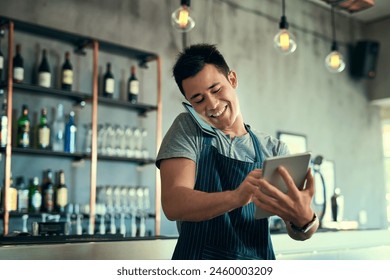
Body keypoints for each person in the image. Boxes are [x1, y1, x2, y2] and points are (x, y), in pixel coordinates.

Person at [156, 44, 318, 260]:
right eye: (199, 99)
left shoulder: (274, 149)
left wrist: (305, 219)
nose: (212, 105)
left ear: (232, 79)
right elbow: (173, 203)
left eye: (216, 90)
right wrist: (236, 197)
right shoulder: (187, 128)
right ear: (190, 104)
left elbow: (298, 230)